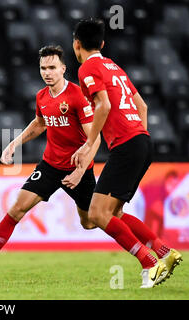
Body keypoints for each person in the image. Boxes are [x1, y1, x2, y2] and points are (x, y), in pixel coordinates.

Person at [0, 45, 100, 280]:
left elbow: (93, 139)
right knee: (16, 209)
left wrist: (80, 171)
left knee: (90, 222)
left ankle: (149, 247)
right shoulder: (41, 96)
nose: (47, 72)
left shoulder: (78, 96)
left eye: (52, 67)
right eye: (43, 68)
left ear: (63, 69)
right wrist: (14, 144)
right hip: (49, 166)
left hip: (79, 169)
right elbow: (40, 123)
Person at [70, 18, 182, 288]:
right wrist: (138, 139)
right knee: (115, 213)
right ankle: (165, 253)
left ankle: (149, 263)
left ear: (76, 44)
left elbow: (104, 106)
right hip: (142, 142)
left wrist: (89, 144)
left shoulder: (88, 68)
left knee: (97, 214)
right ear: (103, 43)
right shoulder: (114, 66)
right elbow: (142, 107)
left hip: (127, 145)